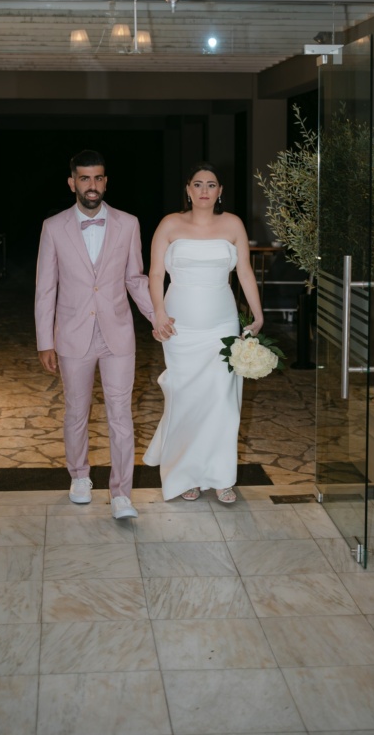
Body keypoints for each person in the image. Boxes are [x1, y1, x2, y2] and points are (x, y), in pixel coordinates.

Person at [35, 150, 165, 520]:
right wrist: (45, 341)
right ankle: (79, 476)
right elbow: (45, 288)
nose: (91, 185)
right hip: (72, 335)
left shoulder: (128, 223)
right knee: (76, 411)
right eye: (84, 178)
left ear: (105, 182)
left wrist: (157, 317)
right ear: (72, 183)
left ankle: (121, 493)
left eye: (98, 178)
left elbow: (135, 279)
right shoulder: (53, 227)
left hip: (117, 334)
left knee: (120, 414)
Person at [143, 162, 263, 504]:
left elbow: (244, 272)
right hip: (180, 327)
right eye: (198, 184)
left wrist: (257, 315)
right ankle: (185, 475)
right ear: (188, 189)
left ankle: (221, 477)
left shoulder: (233, 224)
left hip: (221, 326)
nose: (204, 190)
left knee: (222, 400)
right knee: (186, 399)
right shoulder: (169, 224)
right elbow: (155, 274)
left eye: (211, 184)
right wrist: (158, 314)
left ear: (220, 191)